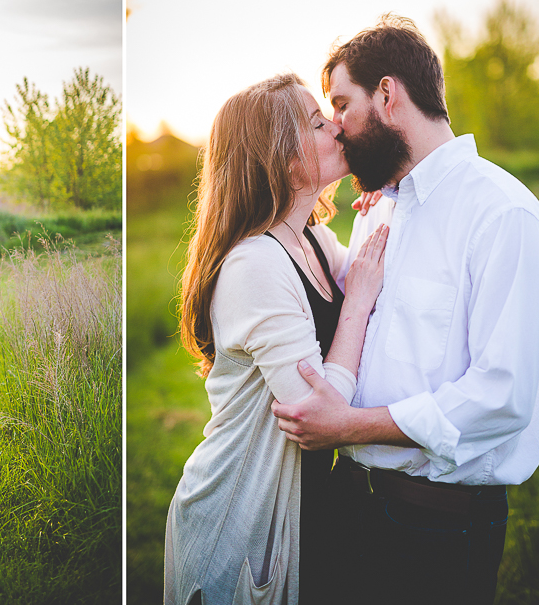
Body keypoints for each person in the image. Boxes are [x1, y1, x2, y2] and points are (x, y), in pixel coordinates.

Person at [271, 15, 539, 605]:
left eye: (343, 106)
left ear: (388, 94)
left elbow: (500, 395)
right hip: (349, 507)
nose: (339, 129)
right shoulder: (380, 208)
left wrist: (349, 426)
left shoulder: (505, 215)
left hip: (436, 530)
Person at [164, 73, 388, 604]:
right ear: (282, 158)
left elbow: (373, 275)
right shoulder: (255, 263)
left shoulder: (309, 236)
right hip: (238, 514)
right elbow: (320, 411)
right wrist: (354, 304)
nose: (337, 127)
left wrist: (385, 198)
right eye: (317, 122)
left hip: (299, 505)